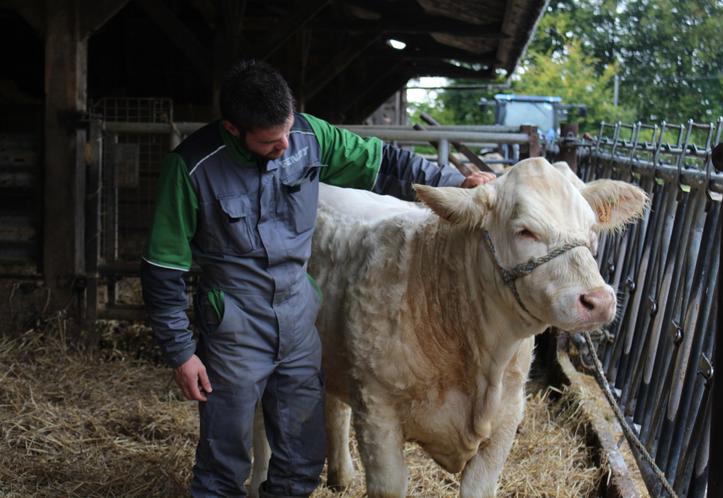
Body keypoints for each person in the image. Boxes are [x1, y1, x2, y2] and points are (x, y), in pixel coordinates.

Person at [140, 59, 494, 498]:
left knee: (303, 459)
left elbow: (384, 161)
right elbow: (163, 267)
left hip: (298, 315)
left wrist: (455, 181)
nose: (286, 146)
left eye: (288, 130)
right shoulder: (191, 168)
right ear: (233, 129)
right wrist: (180, 352)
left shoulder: (309, 137)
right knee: (223, 464)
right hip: (234, 324)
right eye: (270, 141)